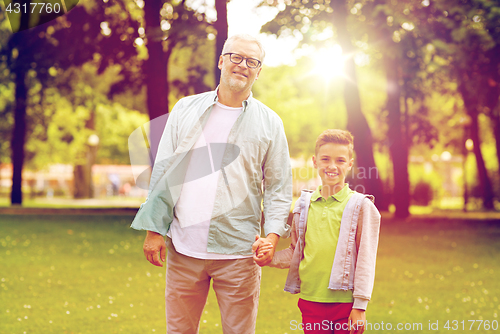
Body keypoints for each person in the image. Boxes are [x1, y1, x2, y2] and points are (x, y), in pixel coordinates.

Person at [130, 34, 292, 334]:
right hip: (183, 250)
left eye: (252, 61)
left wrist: (271, 237)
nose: (243, 65)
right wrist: (154, 230)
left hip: (240, 254)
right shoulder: (184, 109)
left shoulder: (271, 123)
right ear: (221, 61)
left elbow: (279, 188)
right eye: (236, 57)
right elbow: (164, 171)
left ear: (259, 71)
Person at [255, 129, 381, 334]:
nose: (332, 166)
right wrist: (269, 257)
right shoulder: (304, 205)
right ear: (315, 162)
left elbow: (366, 260)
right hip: (310, 301)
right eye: (325, 159)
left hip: (346, 305)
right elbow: (296, 252)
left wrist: (360, 305)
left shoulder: (362, 207)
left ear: (349, 164)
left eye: (340, 160)